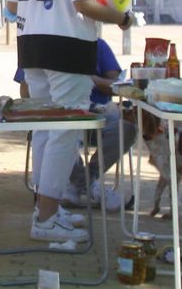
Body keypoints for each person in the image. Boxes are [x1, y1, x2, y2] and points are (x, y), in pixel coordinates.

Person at [6, 0, 133, 243]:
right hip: (68, 51)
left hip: (30, 48)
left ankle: (47, 209)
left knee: (46, 130)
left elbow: (13, 5)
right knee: (65, 133)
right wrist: (122, 18)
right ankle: (46, 220)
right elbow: (85, 5)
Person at [14, 37, 135, 211]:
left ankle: (82, 181)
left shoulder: (96, 45)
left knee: (127, 127)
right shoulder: (37, 43)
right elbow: (26, 92)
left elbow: (116, 85)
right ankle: (87, 183)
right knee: (57, 128)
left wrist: (87, 79)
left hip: (97, 111)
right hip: (60, 111)